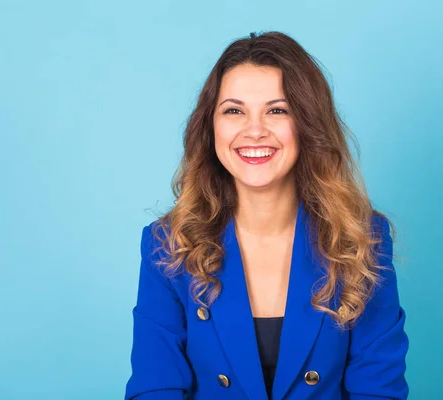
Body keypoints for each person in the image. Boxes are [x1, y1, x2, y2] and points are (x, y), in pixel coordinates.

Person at [124, 31, 409, 400]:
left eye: (277, 110)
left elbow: (379, 390)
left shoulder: (362, 239)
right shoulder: (168, 245)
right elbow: (155, 387)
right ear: (210, 126)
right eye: (234, 110)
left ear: (307, 124)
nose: (254, 130)